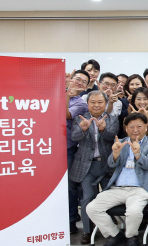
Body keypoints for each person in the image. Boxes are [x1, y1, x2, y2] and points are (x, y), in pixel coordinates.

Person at [86, 113, 148, 246]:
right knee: (92, 208)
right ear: (126, 128)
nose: (135, 130)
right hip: (118, 188)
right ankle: (114, 235)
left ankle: (131, 236)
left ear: (146, 127)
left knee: (133, 211)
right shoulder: (120, 142)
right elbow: (110, 164)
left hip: (140, 189)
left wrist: (138, 153)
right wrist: (115, 153)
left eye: (139, 126)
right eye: (131, 126)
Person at [70, 90, 118, 245]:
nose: (96, 105)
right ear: (88, 104)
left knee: (107, 198)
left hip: (106, 166)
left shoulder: (112, 118)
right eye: (93, 102)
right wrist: (83, 129)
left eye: (100, 102)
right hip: (86, 166)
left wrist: (103, 130)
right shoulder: (79, 118)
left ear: (105, 104)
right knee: (87, 198)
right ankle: (87, 230)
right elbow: (74, 137)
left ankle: (109, 229)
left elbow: (113, 136)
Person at [66, 70, 90, 234]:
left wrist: (67, 95)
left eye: (84, 81)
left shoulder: (81, 103)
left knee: (69, 187)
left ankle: (70, 221)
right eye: (77, 79)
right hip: (46, 146)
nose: (79, 82)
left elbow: (64, 114)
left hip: (67, 147)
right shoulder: (54, 93)